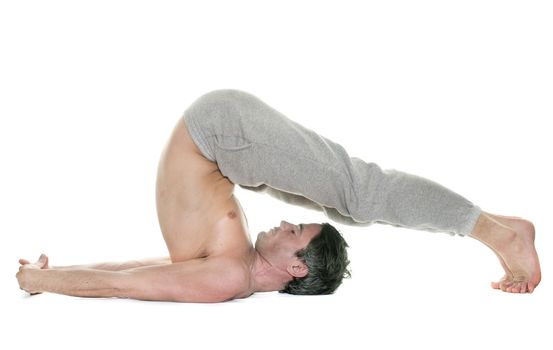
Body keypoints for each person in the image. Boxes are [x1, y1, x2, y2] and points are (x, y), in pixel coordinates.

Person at [16, 89, 541, 301]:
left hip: (222, 132)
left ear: (295, 269)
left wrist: (42, 276)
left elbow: (131, 279)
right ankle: (492, 228)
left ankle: (496, 229)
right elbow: (136, 276)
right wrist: (46, 280)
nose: (287, 223)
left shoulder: (226, 273)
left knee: (356, 198)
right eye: (296, 226)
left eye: (294, 234)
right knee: (356, 196)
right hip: (223, 133)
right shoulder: (231, 262)